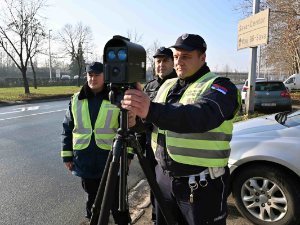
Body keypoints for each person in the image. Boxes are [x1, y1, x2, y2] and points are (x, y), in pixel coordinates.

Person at [123, 34, 241, 225]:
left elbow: (201, 116)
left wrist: (150, 109)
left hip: (202, 184)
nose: (179, 62)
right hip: (163, 178)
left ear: (202, 58)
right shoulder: (167, 85)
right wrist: (136, 120)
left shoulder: (221, 86)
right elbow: (154, 123)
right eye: (176, 56)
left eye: (186, 56)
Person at [61, 62, 134, 225]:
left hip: (111, 161)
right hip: (85, 160)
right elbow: (67, 129)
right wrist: (67, 156)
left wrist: (128, 155)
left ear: (104, 77)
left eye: (97, 75)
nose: (93, 78)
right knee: (93, 204)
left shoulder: (116, 98)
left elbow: (128, 129)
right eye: (90, 75)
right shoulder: (75, 99)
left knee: (118, 204)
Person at [136, 47, 177, 224]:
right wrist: (139, 145)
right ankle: (156, 217)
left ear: (173, 62)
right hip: (150, 146)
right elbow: (141, 118)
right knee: (154, 184)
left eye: (165, 61)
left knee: (171, 186)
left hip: (172, 147)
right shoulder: (149, 86)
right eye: (158, 61)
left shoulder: (180, 83)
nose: (161, 65)